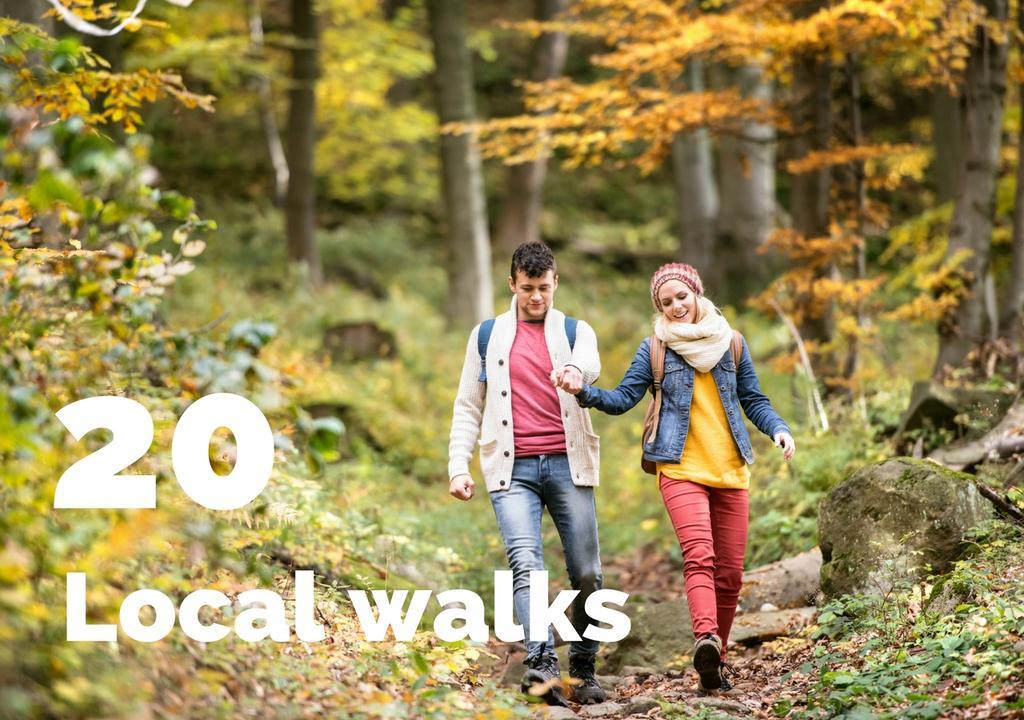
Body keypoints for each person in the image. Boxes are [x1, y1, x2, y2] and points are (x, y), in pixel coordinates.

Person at [554, 262, 795, 693]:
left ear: (697, 293)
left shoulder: (732, 344)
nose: (676, 306)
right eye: (666, 302)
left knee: (732, 574)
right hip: (679, 467)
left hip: (730, 469)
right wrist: (583, 392)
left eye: (681, 296)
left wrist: (778, 427)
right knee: (699, 555)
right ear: (659, 307)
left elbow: (753, 398)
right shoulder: (655, 349)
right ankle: (705, 639)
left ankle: (713, 659)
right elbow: (623, 398)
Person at [447, 241, 607, 707]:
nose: (536, 297)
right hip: (510, 469)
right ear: (512, 284)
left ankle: (583, 665)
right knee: (526, 565)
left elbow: (589, 363)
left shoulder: (576, 331)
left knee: (588, 572)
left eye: (544, 287)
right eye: (527, 288)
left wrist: (576, 372)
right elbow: (467, 407)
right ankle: (542, 665)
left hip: (567, 464)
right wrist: (458, 465)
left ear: (556, 282)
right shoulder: (487, 336)